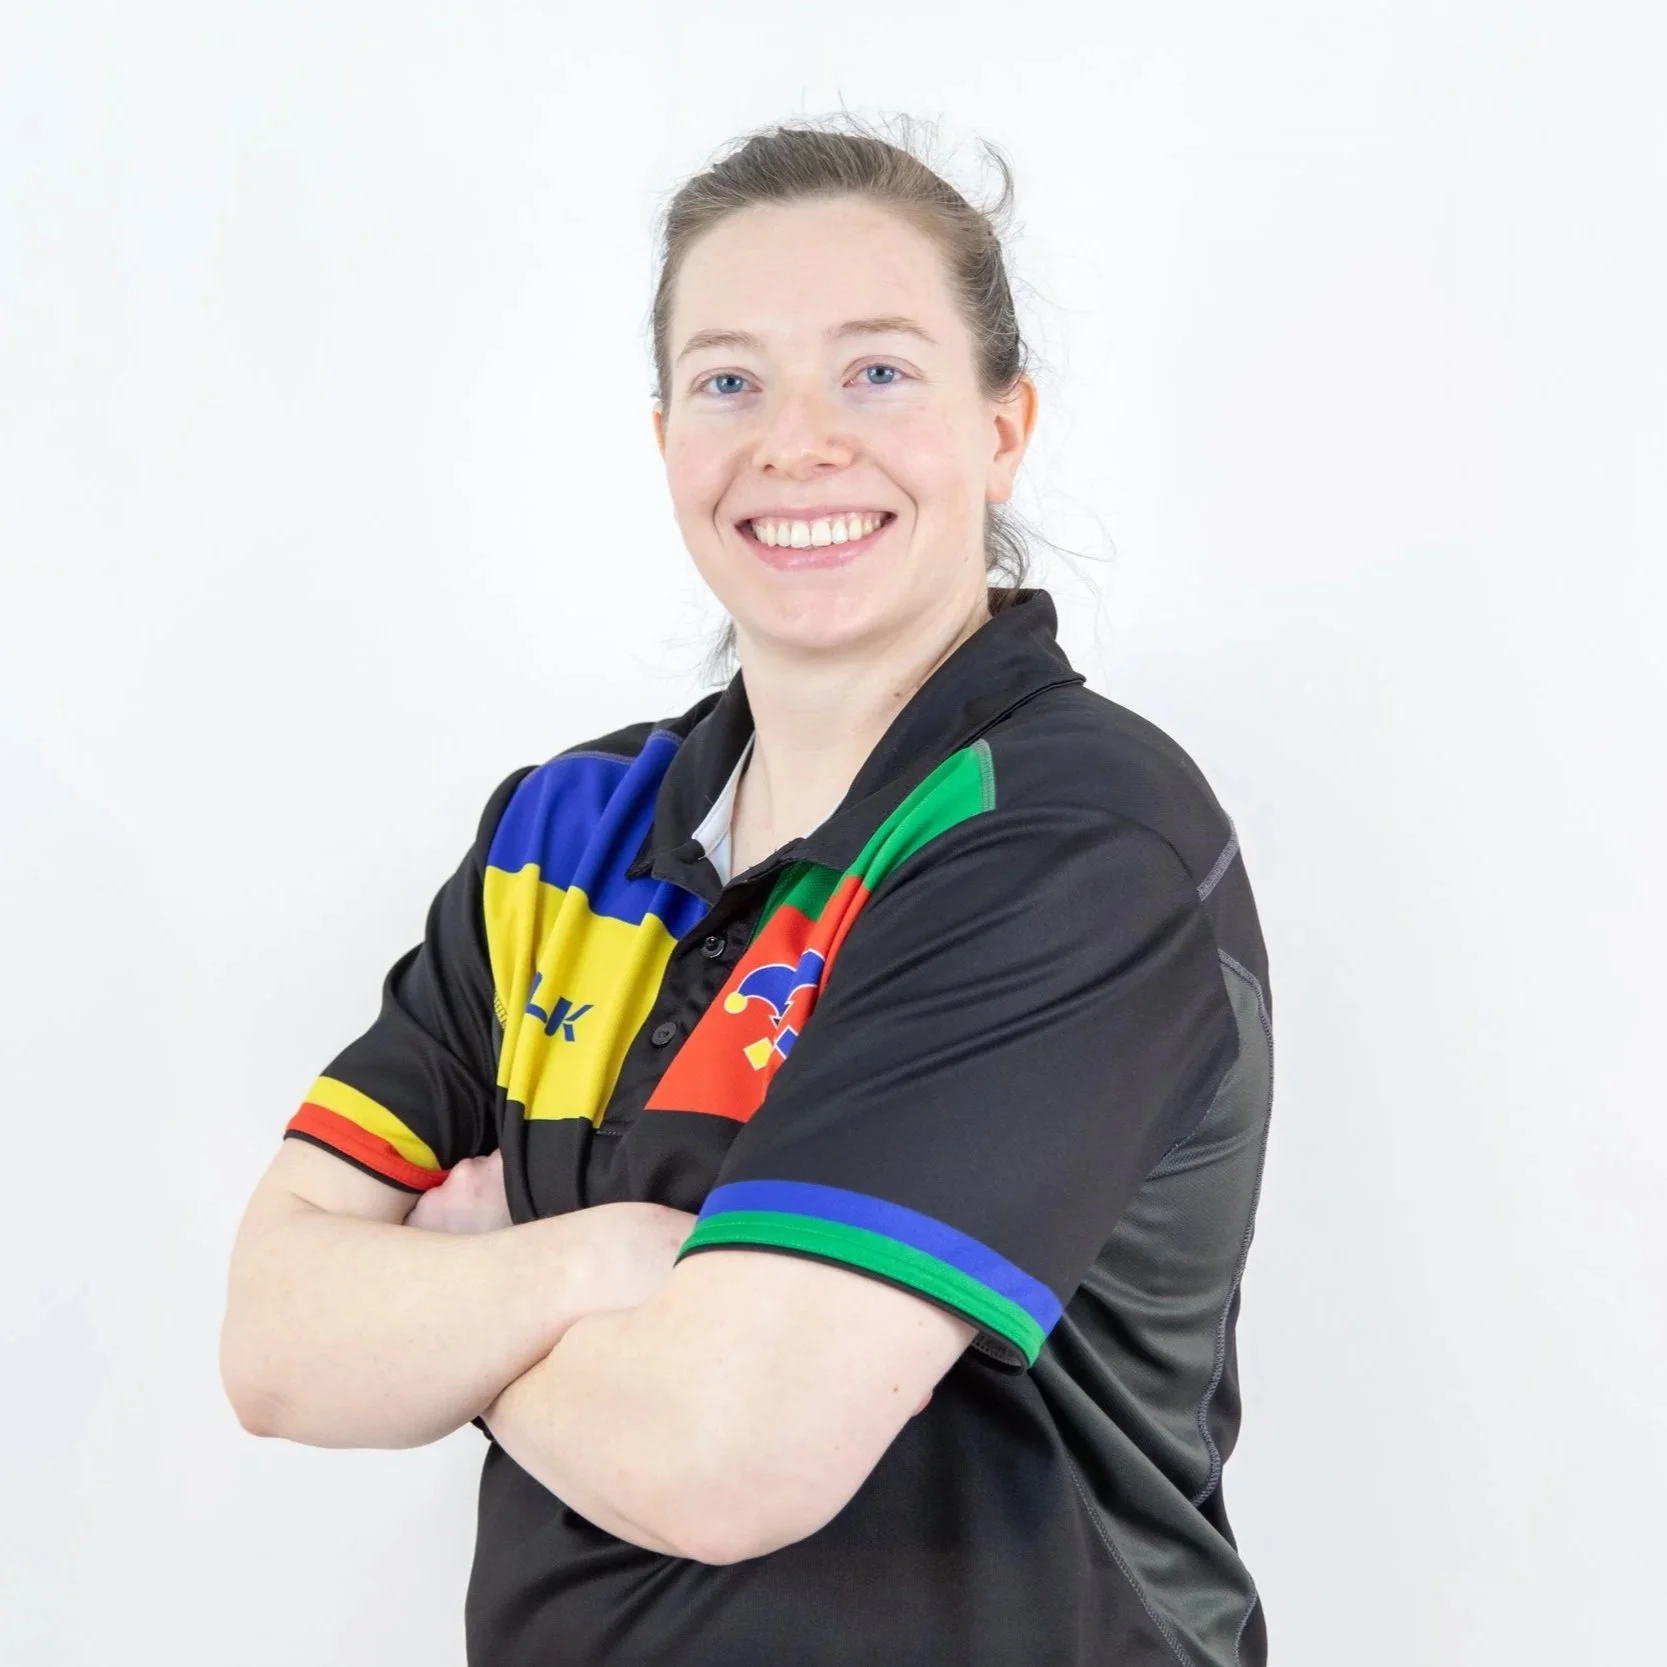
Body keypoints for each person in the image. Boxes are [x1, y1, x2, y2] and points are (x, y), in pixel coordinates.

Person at [220, 115, 1274, 1667]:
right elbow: (272, 1345)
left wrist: (451, 1297)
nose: (798, 442)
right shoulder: (561, 831)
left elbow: (725, 1454)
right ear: (666, 441)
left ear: (1002, 427)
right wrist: (599, 1261)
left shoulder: (1069, 839)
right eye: (729, 382)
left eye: (876, 371)